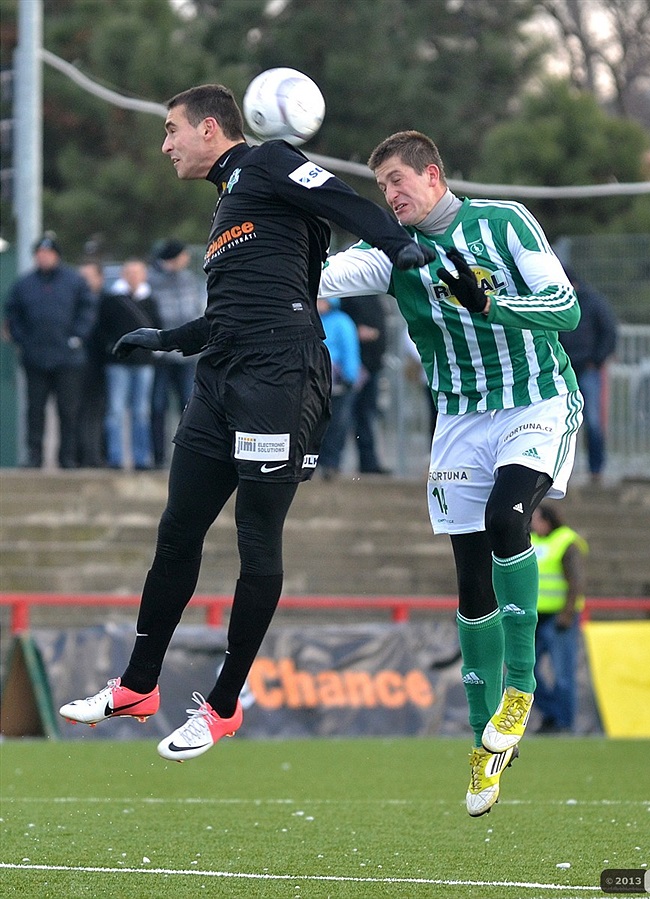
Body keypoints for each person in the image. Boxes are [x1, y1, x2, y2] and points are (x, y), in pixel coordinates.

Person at [58, 84, 434, 760]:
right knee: (177, 529)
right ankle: (138, 685)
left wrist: (395, 242)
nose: (165, 145)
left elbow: (342, 199)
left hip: (280, 377)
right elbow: (229, 314)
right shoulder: (232, 201)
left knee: (256, 540)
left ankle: (224, 705)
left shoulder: (267, 160)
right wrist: (166, 338)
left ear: (210, 129)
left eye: (171, 129)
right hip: (221, 376)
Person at [319, 130, 583, 816]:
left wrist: (491, 304)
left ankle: (520, 688)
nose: (390, 195)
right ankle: (482, 744)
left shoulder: (504, 223)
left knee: (507, 518)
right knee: (470, 583)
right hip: (460, 419)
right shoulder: (391, 250)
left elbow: (566, 307)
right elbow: (321, 279)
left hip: (534, 400)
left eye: (398, 180)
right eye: (382, 186)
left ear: (433, 175)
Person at [4, 233, 97, 469]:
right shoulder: (24, 284)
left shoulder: (74, 281)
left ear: (57, 255)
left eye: (48, 253)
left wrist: (77, 337)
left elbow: (87, 311)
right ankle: (34, 456)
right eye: (40, 254)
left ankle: (67, 457)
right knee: (35, 410)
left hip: (68, 359)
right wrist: (23, 340)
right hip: (36, 358)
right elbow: (13, 315)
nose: (43, 257)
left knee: (68, 410)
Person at [148, 239, 206, 468]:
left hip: (187, 355)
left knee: (189, 406)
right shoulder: (152, 280)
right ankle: (158, 457)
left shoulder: (189, 279)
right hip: (162, 356)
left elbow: (197, 310)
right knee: (158, 406)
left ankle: (188, 455)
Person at [530, 503, 588, 734]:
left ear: (547, 521)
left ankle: (564, 722)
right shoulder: (531, 540)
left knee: (563, 673)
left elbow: (576, 581)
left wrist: (567, 614)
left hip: (559, 617)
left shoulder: (566, 541)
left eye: (536, 519)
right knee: (524, 671)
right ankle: (553, 713)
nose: (532, 523)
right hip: (534, 617)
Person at [557, 270, 617, 483]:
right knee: (560, 423)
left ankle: (596, 470)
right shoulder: (559, 301)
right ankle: (562, 471)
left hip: (587, 369)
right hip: (563, 370)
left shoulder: (593, 302)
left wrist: (597, 360)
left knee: (592, 421)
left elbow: (609, 331)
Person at [101, 259, 161, 470]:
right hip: (117, 363)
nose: (134, 277)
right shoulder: (111, 300)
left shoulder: (150, 300)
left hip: (144, 363)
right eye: (130, 273)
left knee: (141, 412)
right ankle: (115, 457)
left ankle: (141, 458)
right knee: (115, 411)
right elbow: (102, 329)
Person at [339, 294, 390, 473]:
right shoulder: (349, 294)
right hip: (353, 368)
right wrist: (357, 330)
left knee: (367, 415)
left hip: (371, 366)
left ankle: (369, 462)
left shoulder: (374, 295)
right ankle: (331, 464)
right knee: (342, 417)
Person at [316, 296, 362, 479]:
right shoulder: (313, 320)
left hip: (338, 384)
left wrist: (350, 377)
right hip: (316, 383)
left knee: (336, 425)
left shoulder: (342, 321)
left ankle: (331, 464)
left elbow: (350, 350)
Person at [76, 259, 109, 467]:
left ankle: (98, 455)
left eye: (89, 277)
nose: (85, 282)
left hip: (102, 364)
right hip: (77, 364)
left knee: (99, 412)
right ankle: (81, 455)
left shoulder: (108, 302)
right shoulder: (74, 301)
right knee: (78, 411)